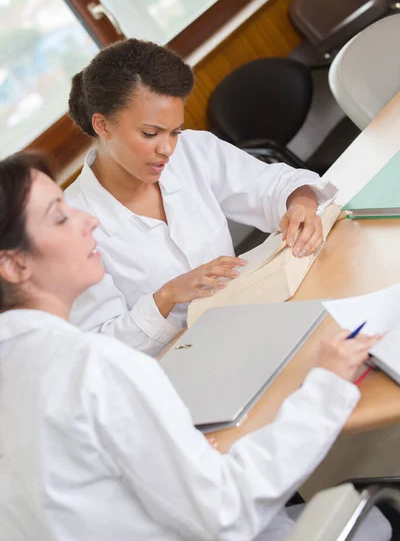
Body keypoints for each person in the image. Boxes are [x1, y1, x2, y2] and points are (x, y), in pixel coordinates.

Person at [0, 152, 389, 541]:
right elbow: (227, 513)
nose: (87, 221)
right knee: (374, 517)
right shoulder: (94, 368)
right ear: (14, 264)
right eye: (59, 217)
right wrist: (324, 388)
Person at [65, 38, 338, 356]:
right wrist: (166, 296)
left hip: (248, 325)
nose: (167, 149)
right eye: (150, 134)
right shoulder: (69, 227)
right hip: (180, 366)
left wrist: (300, 204)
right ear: (102, 125)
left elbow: (274, 184)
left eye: (174, 132)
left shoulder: (192, 152)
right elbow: (100, 348)